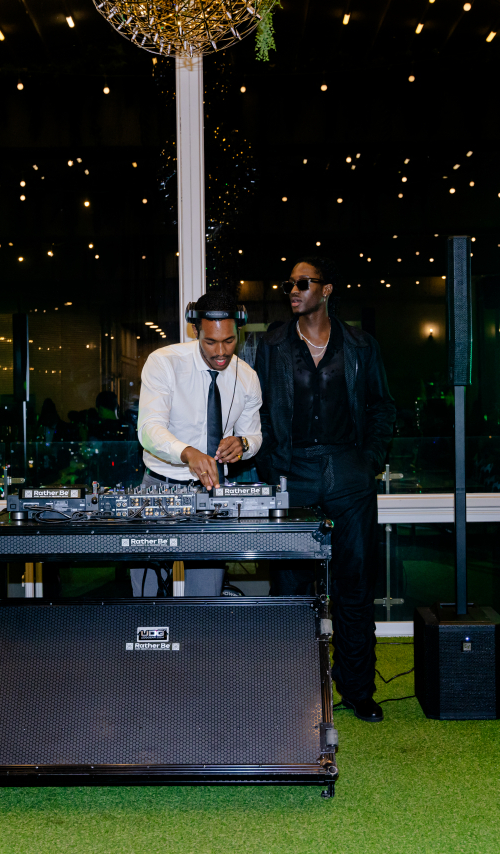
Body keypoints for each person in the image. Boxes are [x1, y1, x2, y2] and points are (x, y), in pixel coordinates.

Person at [254, 256, 396, 723]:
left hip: (347, 472)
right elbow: (259, 414)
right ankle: (296, 691)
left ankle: (357, 690)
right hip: (293, 474)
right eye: (289, 283)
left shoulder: (361, 344)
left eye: (302, 283)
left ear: (327, 289)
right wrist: (271, 465)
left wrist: (367, 463)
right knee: (293, 589)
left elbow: (381, 409)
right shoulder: (271, 344)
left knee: (354, 587)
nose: (292, 290)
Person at [136, 287, 263, 595]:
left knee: (205, 601)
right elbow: (149, 429)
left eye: (229, 340)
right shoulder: (164, 362)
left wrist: (243, 444)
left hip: (212, 497)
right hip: (159, 488)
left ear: (238, 330)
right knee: (146, 601)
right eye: (211, 341)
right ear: (195, 330)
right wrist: (187, 452)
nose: (221, 351)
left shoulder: (247, 377)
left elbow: (255, 435)